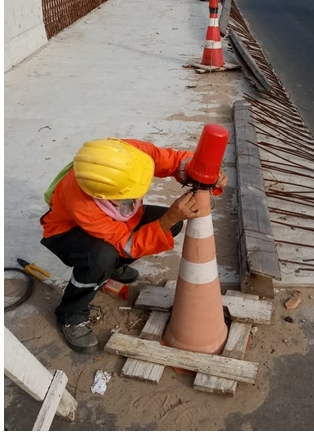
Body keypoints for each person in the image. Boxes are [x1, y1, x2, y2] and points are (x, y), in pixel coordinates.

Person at [40, 138, 228, 352]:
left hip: (115, 224)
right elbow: (125, 243)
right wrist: (167, 219)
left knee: (169, 226)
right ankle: (70, 315)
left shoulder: (124, 155)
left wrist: (203, 174)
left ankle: (112, 267)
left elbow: (171, 160)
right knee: (101, 258)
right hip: (65, 232)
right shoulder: (83, 204)